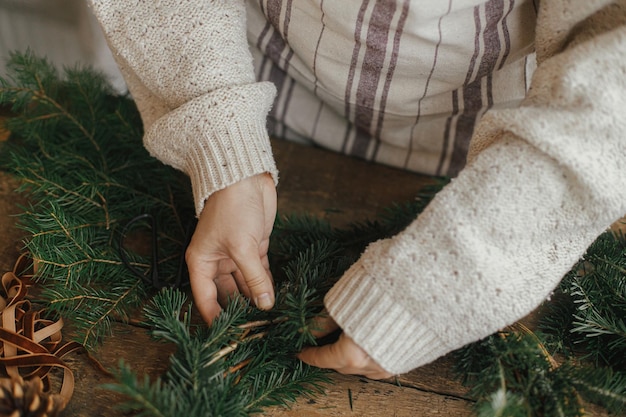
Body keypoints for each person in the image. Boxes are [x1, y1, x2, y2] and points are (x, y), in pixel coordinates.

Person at [87, 0, 625, 379]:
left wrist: (424, 301)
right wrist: (226, 153)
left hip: (488, 166)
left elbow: (607, 99)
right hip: (260, 97)